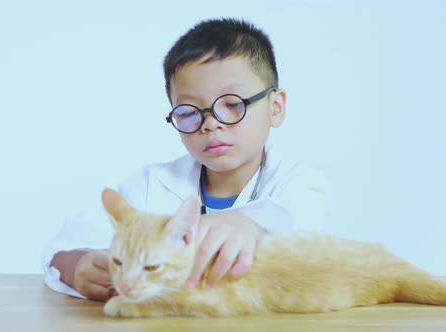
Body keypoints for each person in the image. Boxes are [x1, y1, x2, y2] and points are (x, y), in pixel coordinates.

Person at [42, 18, 330, 301]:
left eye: (231, 105)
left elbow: (299, 227)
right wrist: (77, 266)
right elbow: (61, 250)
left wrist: (248, 225)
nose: (210, 124)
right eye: (189, 112)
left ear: (275, 108)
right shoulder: (150, 185)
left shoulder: (300, 183)